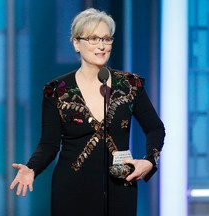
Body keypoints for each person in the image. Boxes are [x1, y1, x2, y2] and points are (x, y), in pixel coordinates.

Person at [10, 8, 165, 216]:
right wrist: (31, 168)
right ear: (76, 43)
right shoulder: (57, 91)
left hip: (120, 188)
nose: (101, 46)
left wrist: (150, 161)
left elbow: (155, 128)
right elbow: (49, 144)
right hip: (72, 191)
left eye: (106, 39)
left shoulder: (129, 85)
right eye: (93, 39)